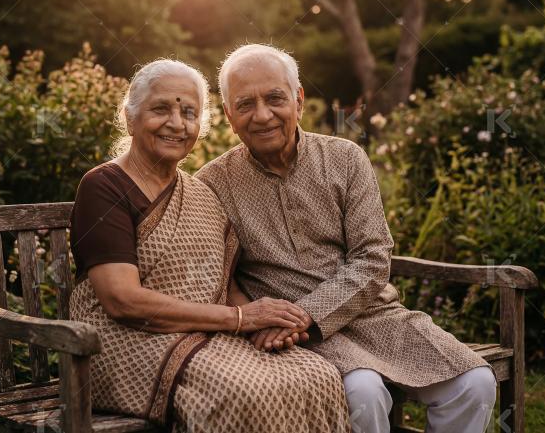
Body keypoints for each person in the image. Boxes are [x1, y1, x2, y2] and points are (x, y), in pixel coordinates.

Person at [195, 44, 498, 433]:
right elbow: (218, 276)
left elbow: (373, 257)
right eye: (245, 104)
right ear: (229, 117)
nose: (263, 115)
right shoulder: (212, 184)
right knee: (364, 394)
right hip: (297, 340)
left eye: (275, 98)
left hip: (373, 316)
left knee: (474, 383)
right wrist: (261, 321)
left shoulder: (345, 158)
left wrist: (309, 312)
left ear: (298, 100)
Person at [68, 59, 350, 432]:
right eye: (161, 109)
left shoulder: (201, 193)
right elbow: (123, 301)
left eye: (189, 112)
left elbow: (225, 287)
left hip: (203, 338)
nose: (176, 123)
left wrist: (266, 325)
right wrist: (240, 320)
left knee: (317, 374)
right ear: (130, 117)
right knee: (246, 392)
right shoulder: (105, 186)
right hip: (122, 344)